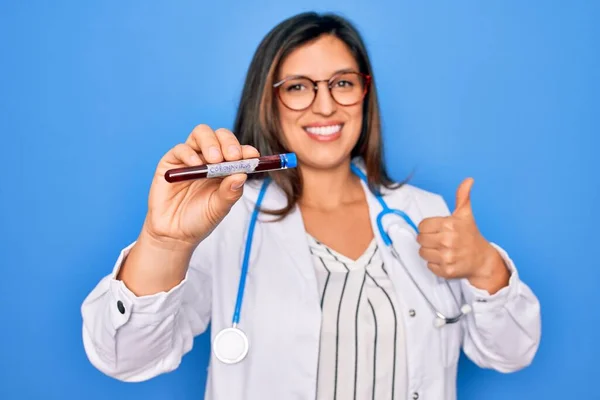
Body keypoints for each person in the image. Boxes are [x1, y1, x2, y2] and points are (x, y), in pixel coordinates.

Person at [80, 11, 541, 400]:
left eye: (342, 83)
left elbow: (512, 352)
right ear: (268, 100)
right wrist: (165, 242)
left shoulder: (423, 213)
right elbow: (124, 358)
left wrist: (485, 267)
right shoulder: (225, 218)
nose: (324, 106)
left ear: (365, 93)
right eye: (298, 87)